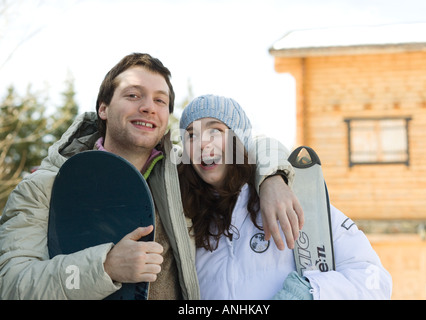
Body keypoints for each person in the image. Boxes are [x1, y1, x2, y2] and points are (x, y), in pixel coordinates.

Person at [0, 53, 303, 300]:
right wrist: (104, 267)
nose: (148, 107)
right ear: (103, 108)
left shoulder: (180, 177)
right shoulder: (47, 185)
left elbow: (252, 142)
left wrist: (273, 178)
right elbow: (11, 284)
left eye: (160, 100)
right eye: (133, 95)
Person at [178, 94, 392, 300]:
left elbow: (375, 282)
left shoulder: (293, 203)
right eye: (191, 135)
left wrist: (309, 293)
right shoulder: (187, 226)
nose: (203, 144)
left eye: (215, 130)